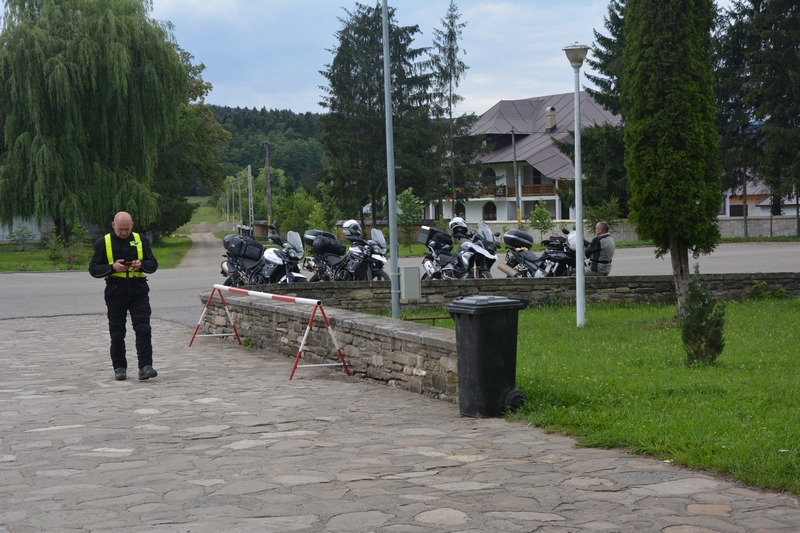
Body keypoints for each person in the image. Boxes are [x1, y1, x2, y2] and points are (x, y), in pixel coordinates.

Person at [89, 212, 159, 381]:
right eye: (120, 229)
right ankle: (119, 367)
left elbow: (153, 264)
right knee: (117, 333)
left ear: (132, 225)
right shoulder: (103, 242)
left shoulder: (141, 240)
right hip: (116, 292)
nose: (124, 232)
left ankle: (146, 367)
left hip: (138, 291)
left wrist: (141, 265)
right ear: (113, 225)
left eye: (127, 229)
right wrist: (112, 268)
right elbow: (93, 269)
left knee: (143, 329)